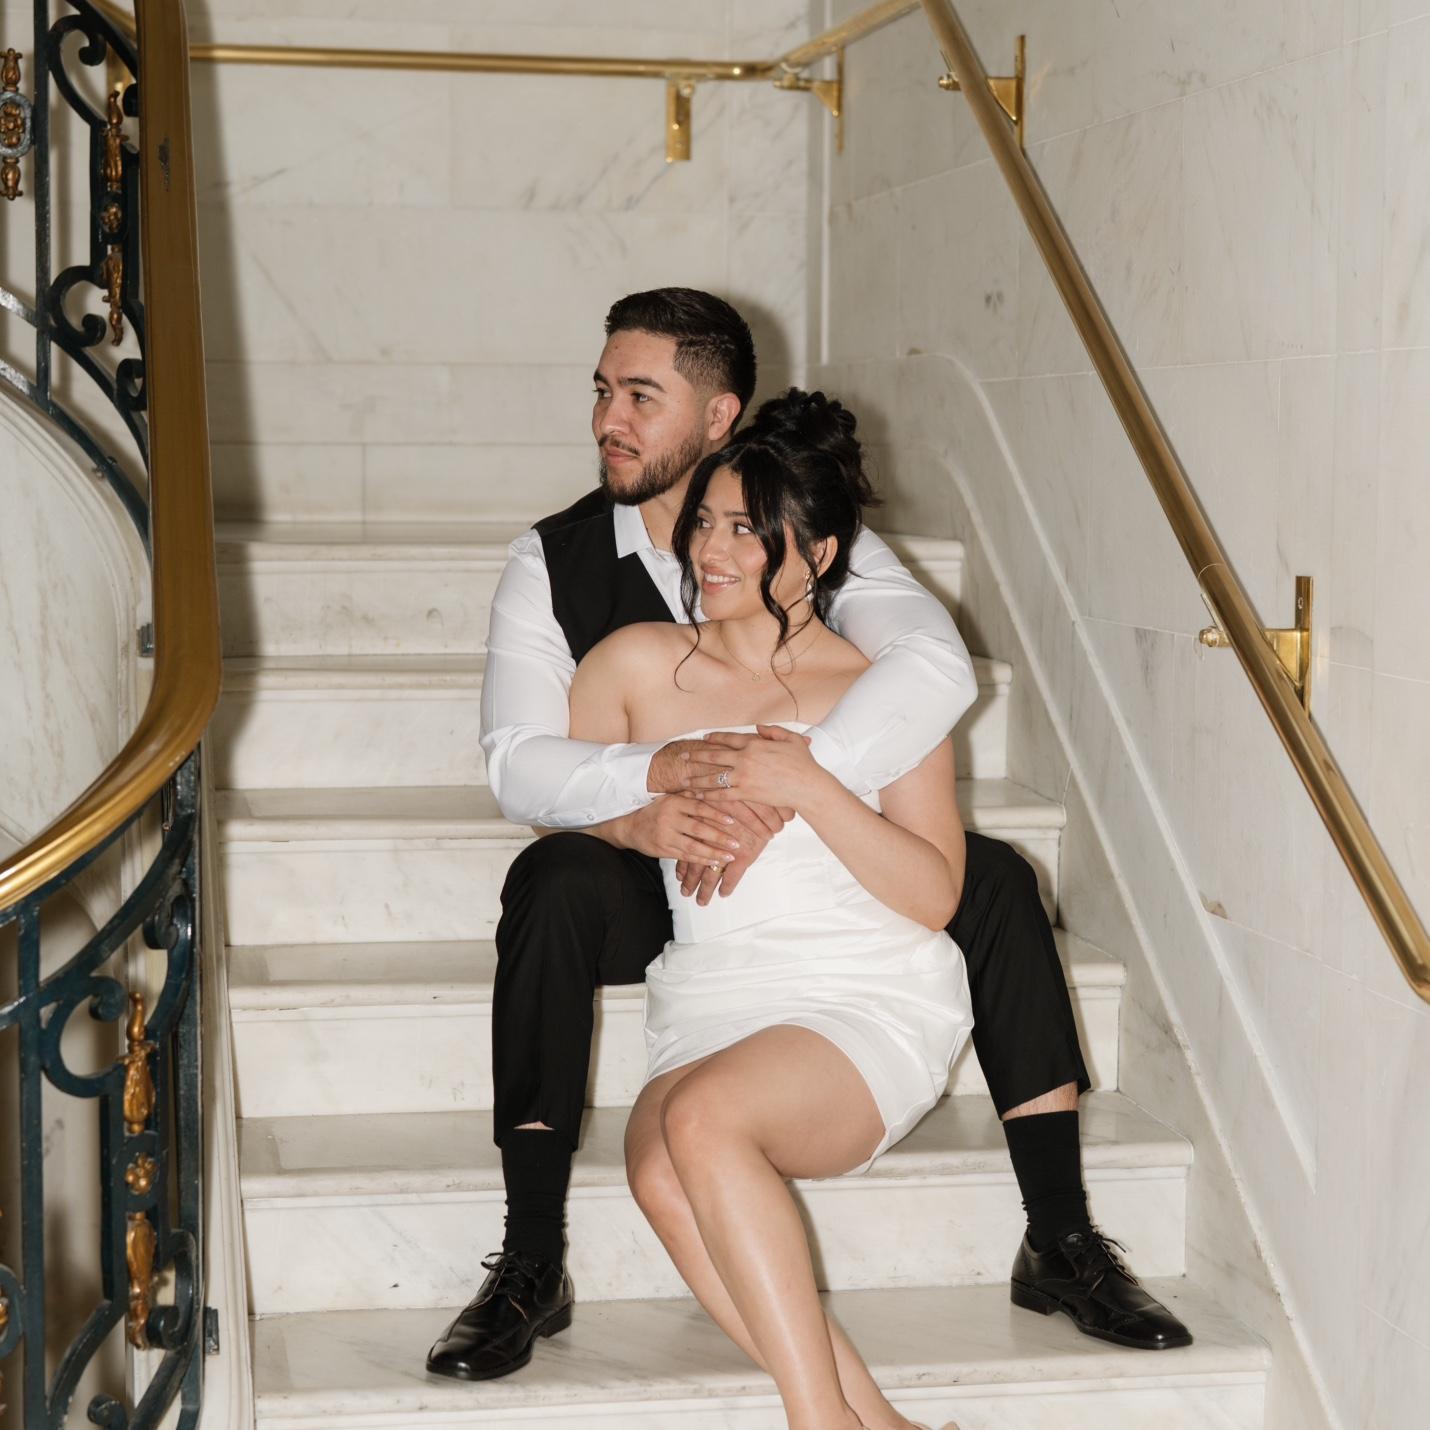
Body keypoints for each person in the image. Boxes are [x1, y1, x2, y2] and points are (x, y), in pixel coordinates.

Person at [425, 288, 1190, 1386]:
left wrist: (784, 785)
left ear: (718, 414)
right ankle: (530, 1256)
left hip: (817, 876)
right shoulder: (553, 562)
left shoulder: (812, 529)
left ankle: (1060, 1234)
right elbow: (517, 762)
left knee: (994, 879)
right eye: (602, 392)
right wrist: (650, 799)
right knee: (550, 877)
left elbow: (927, 666)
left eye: (640, 396)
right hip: (654, 866)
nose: (608, 420)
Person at [574, 390, 967, 1430]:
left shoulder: (882, 689)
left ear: (819, 552)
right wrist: (638, 824)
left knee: (701, 1123)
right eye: (704, 520)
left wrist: (812, 788)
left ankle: (817, 1422)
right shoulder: (632, 664)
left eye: (746, 529)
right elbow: (557, 798)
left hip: (861, 995)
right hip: (712, 997)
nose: (710, 549)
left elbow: (934, 894)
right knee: (660, 1170)